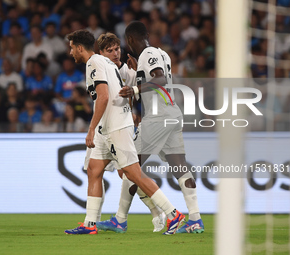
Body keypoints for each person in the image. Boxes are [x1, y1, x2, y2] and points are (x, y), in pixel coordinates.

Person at [64, 30, 185, 235]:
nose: (70, 53)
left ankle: (173, 214)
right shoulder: (109, 64)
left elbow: (102, 97)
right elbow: (118, 91)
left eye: (71, 48)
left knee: (132, 173)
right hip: (108, 126)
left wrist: (91, 129)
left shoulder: (95, 63)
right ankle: (90, 223)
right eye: (110, 50)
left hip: (116, 126)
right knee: (94, 170)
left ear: (79, 48)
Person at [98, 21, 204, 234]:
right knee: (180, 168)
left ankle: (120, 220)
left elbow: (160, 79)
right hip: (172, 115)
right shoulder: (162, 54)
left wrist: (136, 89)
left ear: (129, 40)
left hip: (158, 118)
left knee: (130, 167)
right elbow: (156, 79)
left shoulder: (148, 53)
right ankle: (195, 220)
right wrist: (139, 73)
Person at [90, 32, 166, 232]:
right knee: (100, 172)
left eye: (117, 49)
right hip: (105, 129)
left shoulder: (125, 69)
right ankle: (97, 221)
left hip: (118, 128)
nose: (116, 54)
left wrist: (134, 112)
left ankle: (158, 213)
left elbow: (141, 89)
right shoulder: (99, 68)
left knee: (126, 173)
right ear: (100, 53)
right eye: (110, 50)